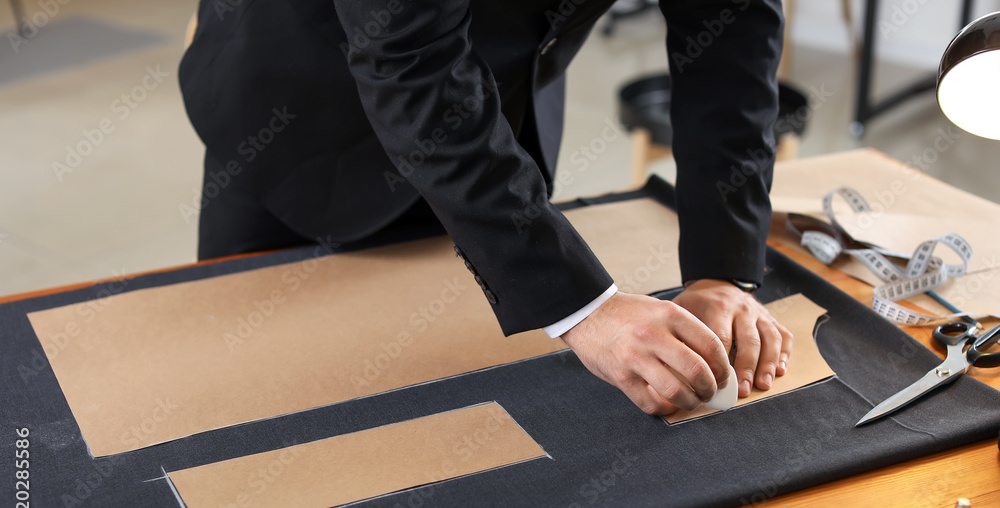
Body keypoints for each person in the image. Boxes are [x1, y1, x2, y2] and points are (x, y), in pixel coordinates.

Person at [179, 0, 793, 416]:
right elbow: (410, 64)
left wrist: (721, 266)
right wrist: (584, 307)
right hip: (295, 118)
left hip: (495, 99)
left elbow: (732, 37)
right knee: (247, 404)